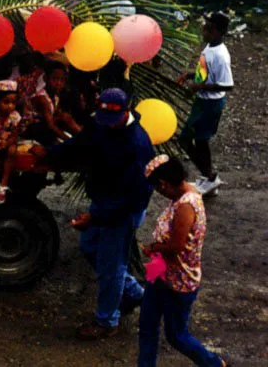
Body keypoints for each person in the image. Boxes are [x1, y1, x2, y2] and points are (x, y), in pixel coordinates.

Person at [42, 88, 155, 340]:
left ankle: (106, 321)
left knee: (110, 264)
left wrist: (96, 217)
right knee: (90, 245)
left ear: (126, 112)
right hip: (104, 200)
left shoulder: (137, 145)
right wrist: (50, 153)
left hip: (122, 210)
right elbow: (82, 142)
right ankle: (134, 293)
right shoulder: (102, 123)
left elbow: (135, 196)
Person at [138, 155, 226, 367]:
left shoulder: (186, 205)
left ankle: (213, 363)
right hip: (159, 271)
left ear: (164, 184)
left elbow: (176, 247)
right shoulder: (180, 196)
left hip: (178, 280)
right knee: (147, 324)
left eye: (158, 189)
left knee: (177, 335)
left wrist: (152, 248)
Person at [177, 12, 233, 196]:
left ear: (219, 32)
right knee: (195, 140)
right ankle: (208, 176)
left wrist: (199, 86)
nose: (204, 31)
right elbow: (207, 71)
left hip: (211, 104)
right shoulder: (210, 47)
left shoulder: (221, 55)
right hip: (202, 101)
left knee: (194, 140)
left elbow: (228, 85)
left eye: (209, 29)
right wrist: (190, 75)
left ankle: (210, 177)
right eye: (205, 26)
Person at [22, 60, 81, 146]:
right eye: (55, 79)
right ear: (46, 78)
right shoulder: (42, 98)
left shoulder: (56, 96)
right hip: (32, 127)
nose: (58, 83)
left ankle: (83, 137)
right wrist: (68, 140)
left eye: (62, 80)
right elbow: (50, 125)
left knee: (65, 116)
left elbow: (57, 115)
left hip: (45, 125)